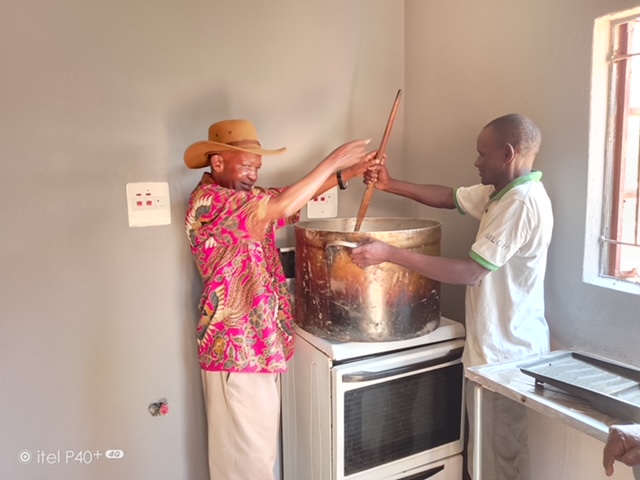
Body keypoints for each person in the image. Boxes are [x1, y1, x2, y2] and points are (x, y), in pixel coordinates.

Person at [350, 113, 553, 480]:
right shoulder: (501, 192)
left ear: (507, 153)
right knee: (485, 455)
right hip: (492, 352)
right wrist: (390, 184)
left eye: (482, 154)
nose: (476, 162)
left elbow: (472, 272)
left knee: (498, 462)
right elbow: (449, 197)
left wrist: (389, 253)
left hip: (507, 357)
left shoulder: (520, 203)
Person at [183, 118, 373, 480]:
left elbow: (288, 199)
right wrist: (331, 161)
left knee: (254, 457)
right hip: (237, 350)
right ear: (218, 162)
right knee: (247, 465)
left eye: (258, 167)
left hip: (259, 345)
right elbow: (279, 206)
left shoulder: (245, 197)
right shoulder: (210, 202)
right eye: (248, 165)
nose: (254, 174)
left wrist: (345, 174)